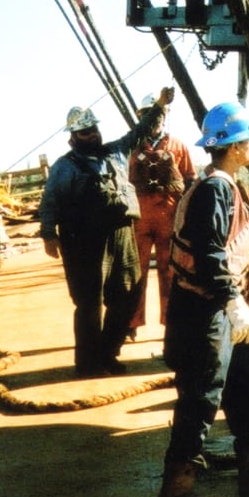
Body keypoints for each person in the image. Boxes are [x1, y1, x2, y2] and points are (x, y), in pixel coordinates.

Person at [157, 101, 249, 497]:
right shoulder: (214, 190)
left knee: (245, 385)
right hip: (204, 312)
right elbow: (209, 254)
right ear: (236, 146)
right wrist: (232, 300)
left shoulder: (227, 186)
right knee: (202, 396)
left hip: (220, 310)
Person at [39, 87, 172, 377]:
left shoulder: (117, 152)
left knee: (128, 295)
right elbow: (50, 201)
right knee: (89, 303)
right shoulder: (64, 167)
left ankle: (108, 352)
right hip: (84, 240)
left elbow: (140, 130)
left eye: (94, 129)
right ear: (73, 137)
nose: (93, 135)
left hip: (122, 234)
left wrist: (160, 105)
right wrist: (49, 234)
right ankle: (88, 364)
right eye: (86, 132)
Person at [127, 94, 198, 338]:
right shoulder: (131, 148)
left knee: (171, 272)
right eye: (146, 115)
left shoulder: (178, 146)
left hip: (171, 217)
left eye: (156, 114)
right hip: (140, 219)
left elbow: (189, 179)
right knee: (136, 272)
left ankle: (171, 322)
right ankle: (131, 323)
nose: (153, 119)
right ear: (140, 118)